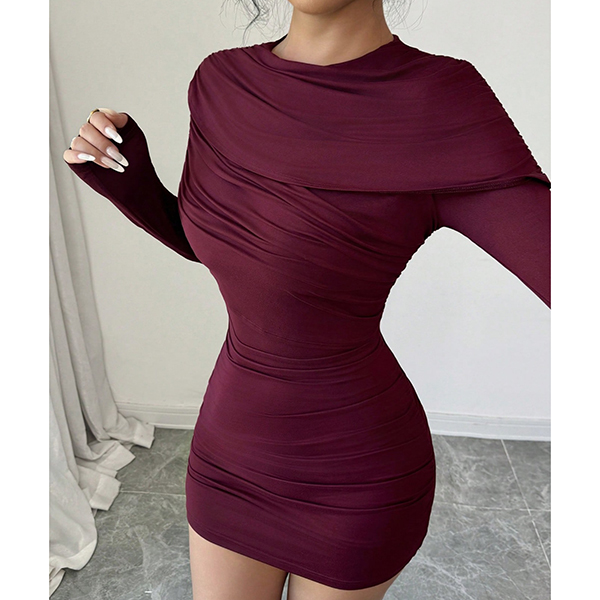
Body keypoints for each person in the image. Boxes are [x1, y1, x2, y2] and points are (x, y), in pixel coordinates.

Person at [63, 2, 550, 599]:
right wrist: (130, 184)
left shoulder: (439, 100)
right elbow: (243, 259)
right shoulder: (221, 82)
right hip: (228, 455)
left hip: (355, 479)